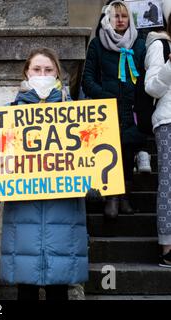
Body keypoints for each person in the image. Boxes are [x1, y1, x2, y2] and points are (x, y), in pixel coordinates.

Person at [0, 48, 89, 300]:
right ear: (26, 72)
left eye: (48, 70)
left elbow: (90, 162)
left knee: (59, 291)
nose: (42, 74)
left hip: (64, 220)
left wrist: (97, 184)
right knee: (25, 291)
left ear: (58, 74)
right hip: (23, 222)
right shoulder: (6, 115)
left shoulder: (79, 117)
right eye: (37, 69)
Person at [82, 0, 146, 219]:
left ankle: (124, 197)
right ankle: (111, 197)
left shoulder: (139, 44)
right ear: (108, 19)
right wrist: (106, 97)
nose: (120, 20)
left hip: (131, 110)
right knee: (109, 154)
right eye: (116, 16)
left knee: (128, 152)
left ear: (130, 19)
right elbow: (87, 80)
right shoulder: (97, 44)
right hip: (105, 110)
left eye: (124, 16)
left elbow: (145, 78)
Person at [144, 2, 171, 268]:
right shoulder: (159, 46)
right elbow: (151, 88)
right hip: (168, 120)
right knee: (169, 184)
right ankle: (168, 246)